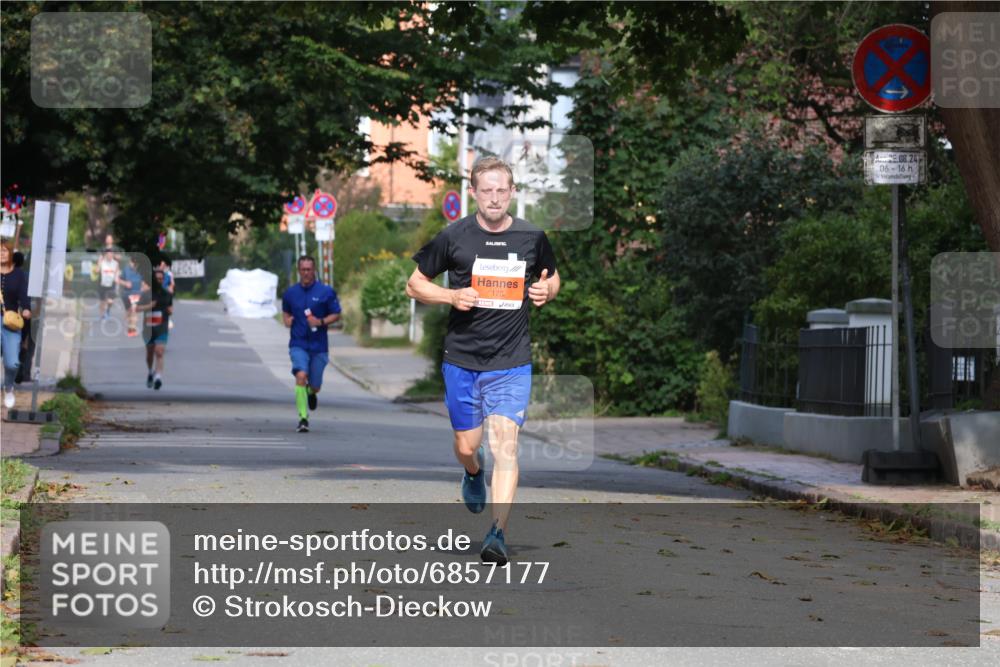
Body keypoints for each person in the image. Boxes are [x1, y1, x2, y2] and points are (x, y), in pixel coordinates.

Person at [406, 156, 560, 565]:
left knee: (505, 446)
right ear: (473, 192)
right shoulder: (454, 236)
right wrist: (452, 296)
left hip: (511, 360)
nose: (494, 198)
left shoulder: (532, 236)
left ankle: (497, 533)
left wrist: (548, 291)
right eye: (486, 190)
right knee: (467, 445)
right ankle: (472, 472)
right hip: (462, 359)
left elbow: (551, 275)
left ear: (512, 192)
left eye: (501, 190)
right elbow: (414, 284)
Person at [282, 256, 341, 433]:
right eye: (303, 269)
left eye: (309, 269)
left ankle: (311, 392)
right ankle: (303, 417)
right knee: (301, 375)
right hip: (298, 343)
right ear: (299, 271)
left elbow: (336, 314)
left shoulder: (326, 292)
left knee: (315, 384)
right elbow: (285, 313)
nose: (306, 273)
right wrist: (287, 320)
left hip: (319, 346)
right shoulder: (291, 293)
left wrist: (321, 321)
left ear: (314, 270)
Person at [1, 240, 31, 408]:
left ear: (11, 254)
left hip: (10, 321)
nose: (2, 253)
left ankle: (9, 388)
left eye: (5, 251)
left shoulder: (18, 274)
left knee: (12, 363)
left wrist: (26, 308)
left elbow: (24, 295)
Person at [136, 268, 172, 390]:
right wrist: (149, 306)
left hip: (162, 327)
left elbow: (171, 309)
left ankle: (158, 377)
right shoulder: (146, 294)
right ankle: (150, 372)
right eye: (157, 279)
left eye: (161, 279)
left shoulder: (167, 294)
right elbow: (137, 309)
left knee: (159, 351)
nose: (159, 281)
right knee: (150, 353)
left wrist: (169, 311)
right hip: (148, 328)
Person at [118, 255, 146, 337]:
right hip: (126, 294)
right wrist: (125, 283)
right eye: (132, 262)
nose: (133, 264)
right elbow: (118, 279)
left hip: (137, 294)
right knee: (129, 312)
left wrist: (143, 287)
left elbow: (146, 282)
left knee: (134, 310)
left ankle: (132, 329)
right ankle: (130, 327)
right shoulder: (126, 270)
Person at [97, 248, 120, 320]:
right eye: (109, 254)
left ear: (113, 255)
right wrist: (99, 261)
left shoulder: (115, 263)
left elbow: (117, 272)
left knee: (110, 301)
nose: (110, 255)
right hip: (103, 284)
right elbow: (97, 271)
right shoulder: (102, 262)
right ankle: (101, 316)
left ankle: (107, 312)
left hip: (112, 284)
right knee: (102, 302)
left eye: (111, 254)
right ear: (106, 255)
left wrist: (117, 278)